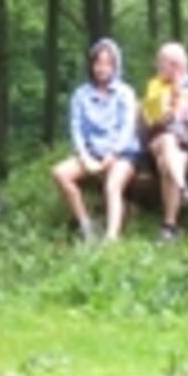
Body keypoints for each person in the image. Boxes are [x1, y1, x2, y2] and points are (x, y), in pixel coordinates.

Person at [50, 38, 141, 242]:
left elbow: (127, 129)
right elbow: (76, 130)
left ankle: (111, 238)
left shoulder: (125, 93)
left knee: (112, 185)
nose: (102, 68)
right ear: (91, 65)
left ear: (116, 66)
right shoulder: (80, 95)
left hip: (122, 153)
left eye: (108, 63)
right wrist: (85, 158)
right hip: (91, 153)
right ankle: (86, 226)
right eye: (98, 63)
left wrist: (112, 154)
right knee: (60, 173)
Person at [139, 41, 188, 241]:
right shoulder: (155, 87)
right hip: (157, 142)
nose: (157, 67)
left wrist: (182, 120)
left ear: (175, 65)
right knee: (167, 139)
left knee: (169, 161)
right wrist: (159, 120)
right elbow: (147, 127)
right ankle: (183, 188)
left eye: (161, 63)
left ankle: (169, 227)